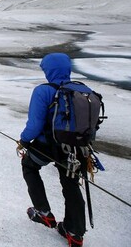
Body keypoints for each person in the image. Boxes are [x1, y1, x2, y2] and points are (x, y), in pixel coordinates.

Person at [17, 53, 86, 246]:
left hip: (48, 145)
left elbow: (35, 125)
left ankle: (43, 212)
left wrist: (23, 140)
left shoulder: (44, 91)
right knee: (71, 184)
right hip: (77, 149)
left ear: (49, 70)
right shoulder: (82, 90)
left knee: (29, 166)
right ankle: (75, 232)